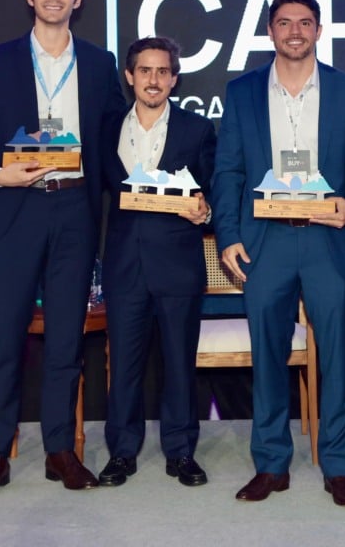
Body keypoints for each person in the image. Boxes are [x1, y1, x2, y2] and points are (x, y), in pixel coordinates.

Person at [0, 0, 127, 499]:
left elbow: (116, 140)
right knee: (4, 337)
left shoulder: (98, 63)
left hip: (75, 212)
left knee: (65, 340)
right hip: (14, 211)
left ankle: (59, 451)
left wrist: (153, 187)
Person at [211, 0, 345, 507]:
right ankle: (271, 464)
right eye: (284, 22)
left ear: (319, 30)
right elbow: (228, 170)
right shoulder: (242, 92)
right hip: (265, 243)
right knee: (268, 356)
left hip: (329, 239)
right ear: (270, 31)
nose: (295, 32)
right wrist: (228, 235)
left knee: (338, 356)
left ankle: (338, 466)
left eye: (305, 22)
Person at [97, 36, 216, 488]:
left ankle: (181, 451)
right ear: (130, 76)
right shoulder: (106, 127)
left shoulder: (197, 129)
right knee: (124, 365)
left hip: (178, 264)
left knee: (179, 363)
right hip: (124, 262)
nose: (153, 79)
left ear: (174, 79)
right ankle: (121, 452)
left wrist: (206, 211)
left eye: (163, 71)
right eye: (145, 71)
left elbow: (213, 192)